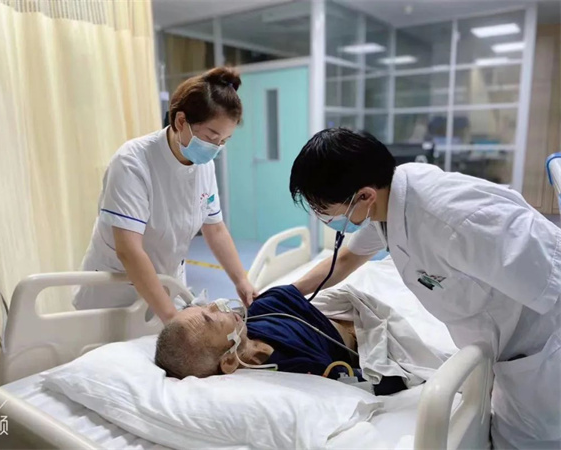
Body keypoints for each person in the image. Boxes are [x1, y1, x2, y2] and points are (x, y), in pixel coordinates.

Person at [289, 128, 561, 449]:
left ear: (364, 196)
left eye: (325, 209)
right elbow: (347, 258)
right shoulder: (388, 200)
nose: (323, 217)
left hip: (539, 354)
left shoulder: (457, 218)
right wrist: (288, 293)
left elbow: (552, 274)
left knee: (529, 442)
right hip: (500, 348)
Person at [73, 67, 256, 322]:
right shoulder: (133, 162)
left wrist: (241, 281)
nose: (216, 148)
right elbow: (129, 250)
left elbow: (215, 229)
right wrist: (172, 319)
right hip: (117, 293)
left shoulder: (204, 165)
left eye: (224, 141)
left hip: (167, 285)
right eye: (211, 137)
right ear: (180, 121)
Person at [154, 284, 407, 395]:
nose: (214, 305)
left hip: (353, 311)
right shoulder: (298, 369)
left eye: (202, 306)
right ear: (229, 361)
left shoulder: (261, 310)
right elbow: (382, 383)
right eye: (211, 318)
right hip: (372, 341)